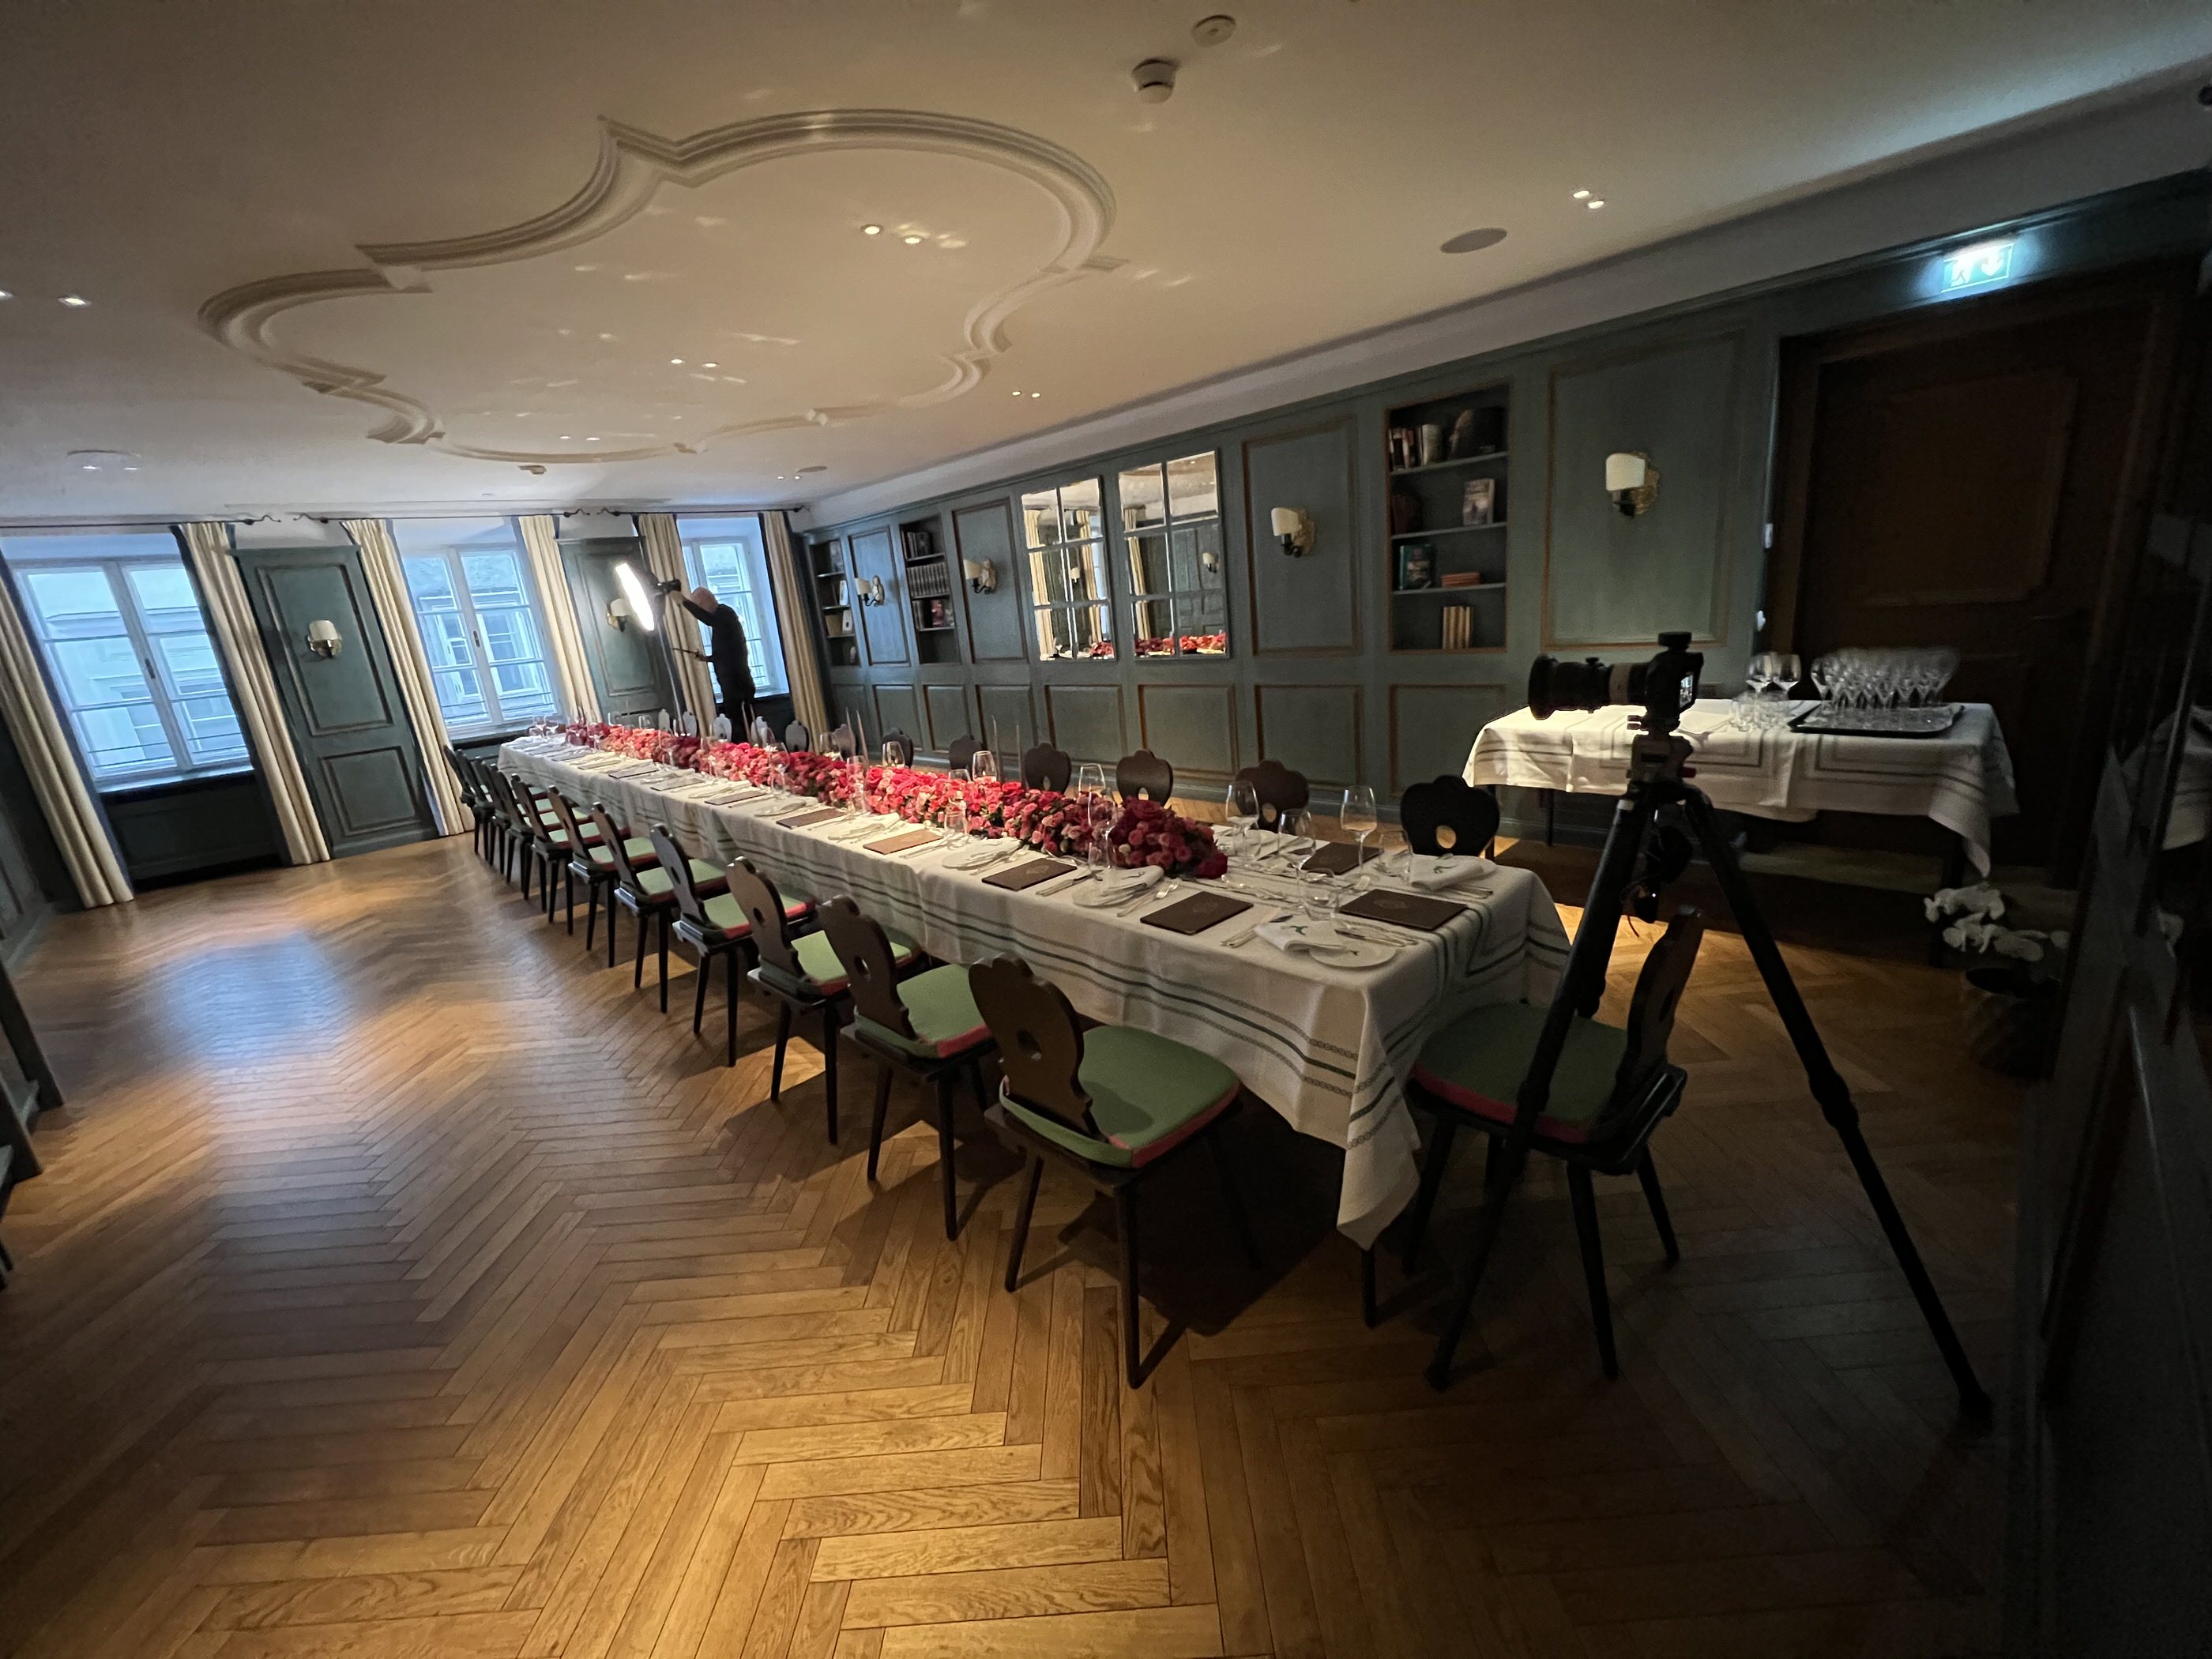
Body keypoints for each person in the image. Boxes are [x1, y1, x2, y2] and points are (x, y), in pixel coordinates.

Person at [678, 585, 755, 732]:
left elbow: (707, 619)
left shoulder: (724, 613)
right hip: (731, 683)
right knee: (736, 726)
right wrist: (706, 659)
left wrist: (684, 602)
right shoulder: (720, 620)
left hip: (738, 684)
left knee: (744, 727)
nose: (701, 610)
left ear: (707, 601)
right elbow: (727, 653)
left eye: (700, 606)